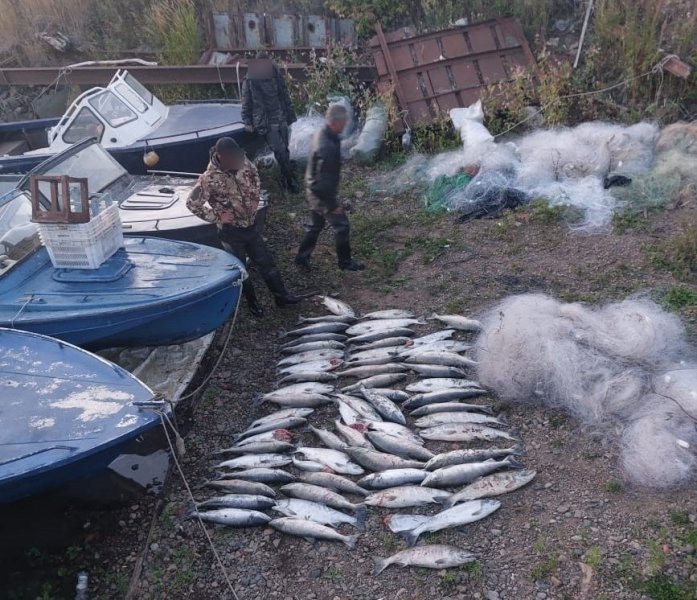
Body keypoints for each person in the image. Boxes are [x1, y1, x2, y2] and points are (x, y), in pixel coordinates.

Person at [187, 137, 303, 318]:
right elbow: (192, 203)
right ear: (220, 156)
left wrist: (256, 196)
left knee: (267, 263)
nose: (236, 162)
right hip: (231, 233)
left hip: (250, 227)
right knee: (242, 271)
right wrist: (217, 216)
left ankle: (282, 297)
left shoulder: (243, 161)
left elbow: (254, 173)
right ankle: (253, 303)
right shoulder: (208, 179)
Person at [295, 104, 364, 272]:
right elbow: (323, 181)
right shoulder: (327, 146)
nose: (346, 124)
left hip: (313, 190)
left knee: (314, 226)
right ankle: (345, 263)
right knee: (342, 226)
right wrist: (333, 205)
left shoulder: (325, 133)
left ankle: (301, 258)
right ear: (336, 122)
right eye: (344, 121)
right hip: (320, 193)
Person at [241, 54, 300, 194]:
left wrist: (290, 114)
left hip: (281, 117)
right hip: (266, 121)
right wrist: (247, 121)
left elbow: (284, 93)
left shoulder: (275, 72)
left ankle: (285, 174)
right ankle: (290, 179)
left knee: (284, 150)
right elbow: (246, 103)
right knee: (280, 151)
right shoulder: (250, 80)